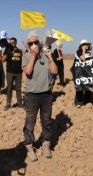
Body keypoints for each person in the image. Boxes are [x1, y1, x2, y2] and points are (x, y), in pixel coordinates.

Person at [22, 31, 58, 162]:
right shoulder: (26, 56)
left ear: (39, 42)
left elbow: (54, 71)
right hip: (31, 95)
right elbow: (28, 71)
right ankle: (29, 146)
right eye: (30, 43)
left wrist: (50, 57)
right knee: (30, 122)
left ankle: (46, 143)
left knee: (46, 121)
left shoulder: (46, 55)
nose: (33, 44)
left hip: (46, 94)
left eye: (35, 42)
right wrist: (33, 55)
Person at [2, 37, 24, 110]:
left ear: (15, 43)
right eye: (10, 42)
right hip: (10, 72)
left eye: (13, 42)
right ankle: (8, 103)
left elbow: (24, 59)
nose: (11, 43)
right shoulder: (7, 50)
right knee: (9, 88)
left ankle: (19, 103)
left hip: (19, 73)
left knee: (18, 89)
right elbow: (3, 60)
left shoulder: (19, 51)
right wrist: (7, 52)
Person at [74, 39, 93, 108]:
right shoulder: (78, 52)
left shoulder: (89, 53)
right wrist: (83, 51)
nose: (87, 45)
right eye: (85, 44)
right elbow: (83, 59)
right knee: (80, 87)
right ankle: (79, 102)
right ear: (82, 46)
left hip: (87, 73)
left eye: (87, 44)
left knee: (88, 87)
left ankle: (87, 101)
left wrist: (92, 57)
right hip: (79, 73)